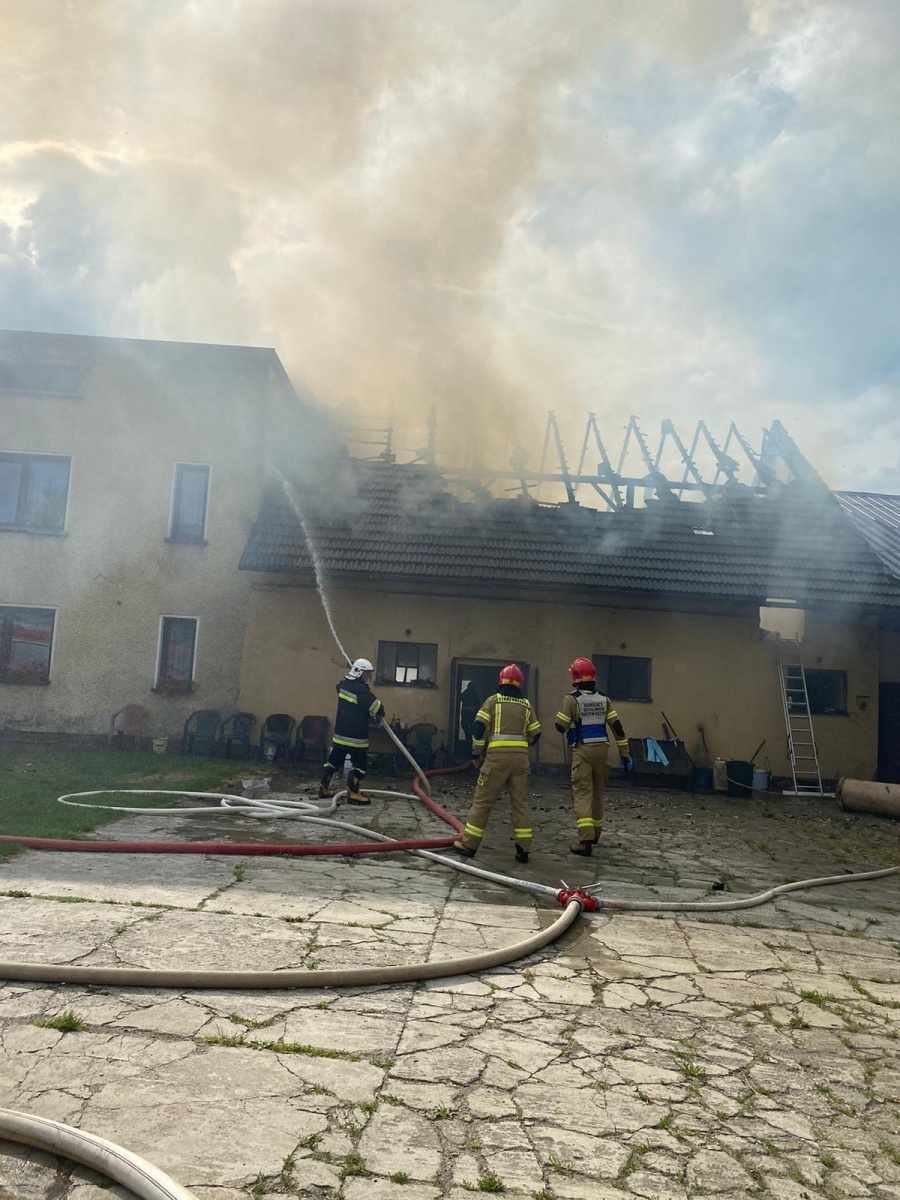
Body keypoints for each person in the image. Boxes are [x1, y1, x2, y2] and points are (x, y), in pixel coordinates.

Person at [452, 664, 541, 863]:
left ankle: (469, 845)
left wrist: (476, 754)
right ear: (520, 683)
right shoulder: (526, 705)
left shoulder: (493, 701)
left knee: (482, 802)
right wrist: (523, 746)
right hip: (520, 761)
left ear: (500, 681)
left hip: (496, 759)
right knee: (520, 804)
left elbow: (477, 727)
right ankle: (523, 850)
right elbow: (536, 734)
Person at [555, 657, 633, 856]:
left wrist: (570, 721)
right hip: (602, 749)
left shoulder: (571, 699)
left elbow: (560, 726)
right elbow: (617, 727)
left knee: (582, 794)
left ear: (575, 676)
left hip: (583, 750)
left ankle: (585, 840)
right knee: (598, 792)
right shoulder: (603, 698)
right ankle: (596, 834)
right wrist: (624, 753)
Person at [319, 658, 385, 805]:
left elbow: (339, 686)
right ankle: (354, 793)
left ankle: (323, 788)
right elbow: (377, 708)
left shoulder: (342, 685)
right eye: (367, 674)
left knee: (333, 762)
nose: (368, 677)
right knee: (360, 766)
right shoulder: (361, 690)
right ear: (360, 672)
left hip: (340, 735)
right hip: (356, 737)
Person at [459, 679, 483, 745]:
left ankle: (470, 738)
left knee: (468, 725)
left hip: (470, 712)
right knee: (465, 724)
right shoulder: (467, 693)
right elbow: (459, 698)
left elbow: (478, 704)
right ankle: (469, 737)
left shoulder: (473, 694)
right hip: (468, 711)